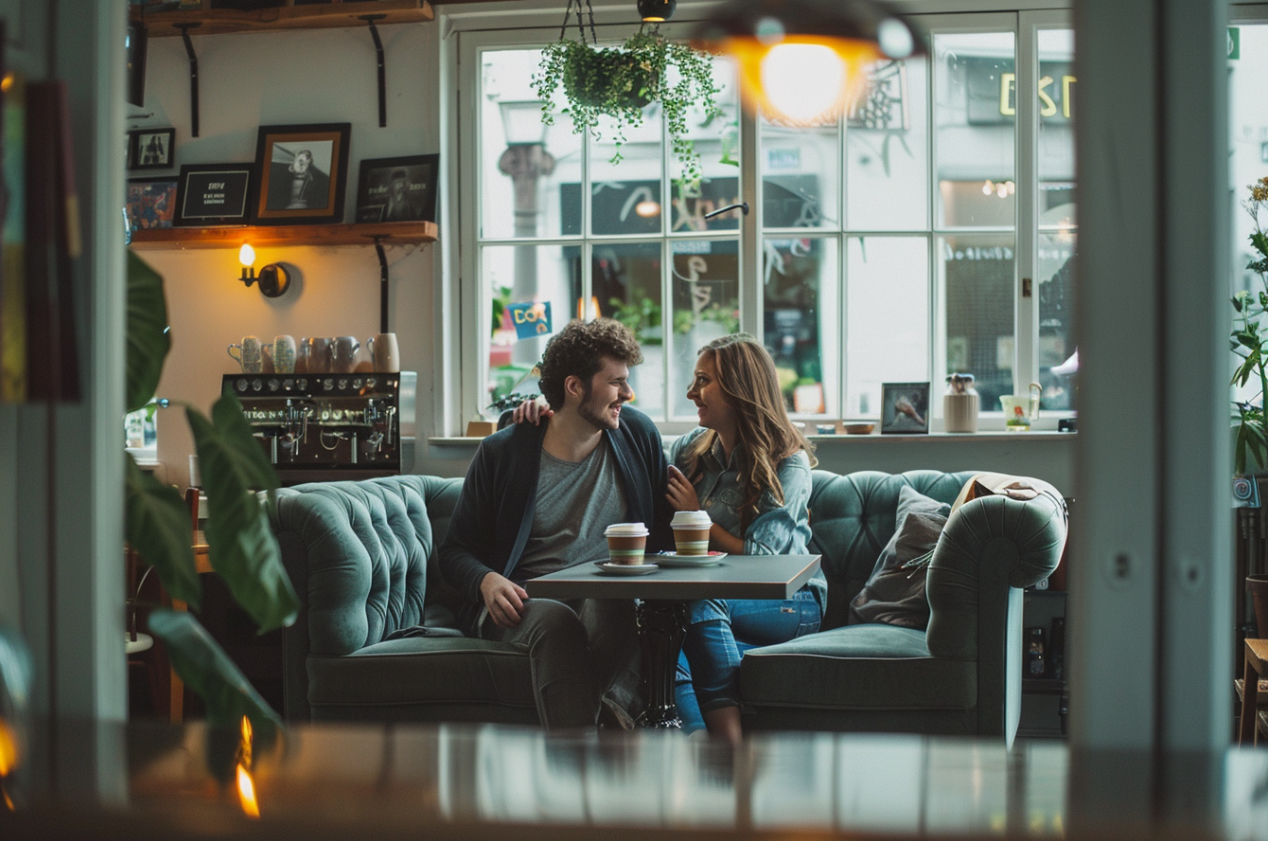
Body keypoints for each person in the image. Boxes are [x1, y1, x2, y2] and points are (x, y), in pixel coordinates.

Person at [438, 318, 673, 731]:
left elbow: (662, 536)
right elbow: (455, 551)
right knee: (558, 622)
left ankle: (582, 746)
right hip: (523, 603)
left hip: (606, 597)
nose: (628, 394)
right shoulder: (504, 452)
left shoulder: (638, 434)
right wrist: (487, 580)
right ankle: (586, 755)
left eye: (627, 381)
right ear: (574, 387)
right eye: (616, 382)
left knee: (617, 606)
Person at [665, 333, 824, 744]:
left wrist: (694, 518)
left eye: (703, 381)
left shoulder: (788, 461)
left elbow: (761, 558)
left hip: (791, 600)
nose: (691, 392)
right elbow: (633, 448)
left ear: (739, 389)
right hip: (717, 598)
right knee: (662, 635)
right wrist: (553, 412)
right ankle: (700, 748)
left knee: (703, 599)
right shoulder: (690, 451)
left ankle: (729, 750)